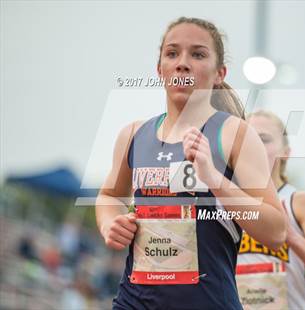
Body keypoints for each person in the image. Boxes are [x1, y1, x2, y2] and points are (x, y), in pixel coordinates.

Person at [95, 17, 288, 309]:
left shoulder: (234, 134)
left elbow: (276, 231)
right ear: (160, 69)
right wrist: (111, 223)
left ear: (219, 73)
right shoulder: (133, 134)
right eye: (172, 53)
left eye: (198, 54)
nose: (183, 63)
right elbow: (109, 196)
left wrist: (215, 180)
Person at [236, 110, 305, 310]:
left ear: (285, 151)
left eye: (264, 139)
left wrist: (293, 238)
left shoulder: (299, 202)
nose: (255, 146)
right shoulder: (230, 202)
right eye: (249, 138)